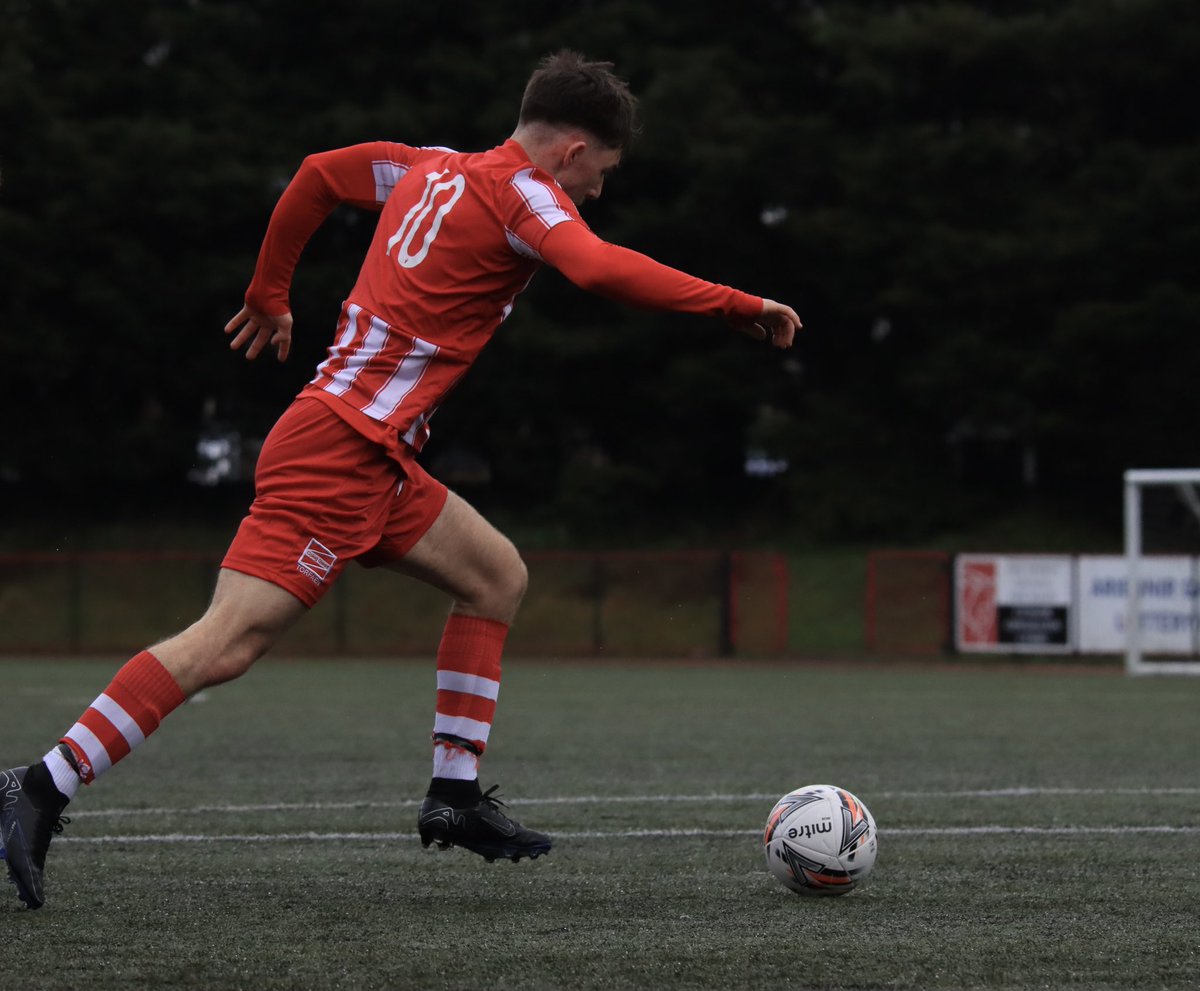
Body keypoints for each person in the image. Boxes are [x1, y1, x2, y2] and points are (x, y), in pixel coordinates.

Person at [1, 50, 800, 909]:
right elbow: (599, 268)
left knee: (496, 575)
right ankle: (40, 784)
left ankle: (453, 797)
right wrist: (736, 304)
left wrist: (271, 290)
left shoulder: (428, 167)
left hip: (375, 455)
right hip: (337, 451)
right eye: (600, 174)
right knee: (224, 643)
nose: (596, 193)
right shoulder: (525, 194)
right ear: (571, 151)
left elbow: (317, 175)